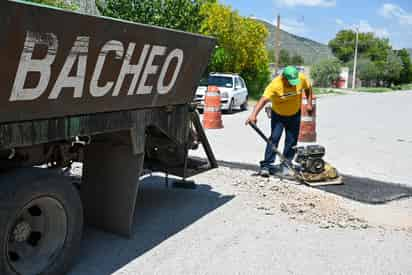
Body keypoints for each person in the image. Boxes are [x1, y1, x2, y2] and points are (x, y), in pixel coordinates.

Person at [245, 66, 313, 177]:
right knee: (274, 138)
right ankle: (266, 165)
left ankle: (286, 164)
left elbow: (308, 87)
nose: (293, 84)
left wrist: (309, 103)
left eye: (294, 82)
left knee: (291, 141)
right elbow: (263, 100)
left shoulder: (301, 78)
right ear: (283, 78)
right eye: (290, 82)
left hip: (295, 114)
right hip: (279, 116)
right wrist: (253, 115)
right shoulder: (275, 85)